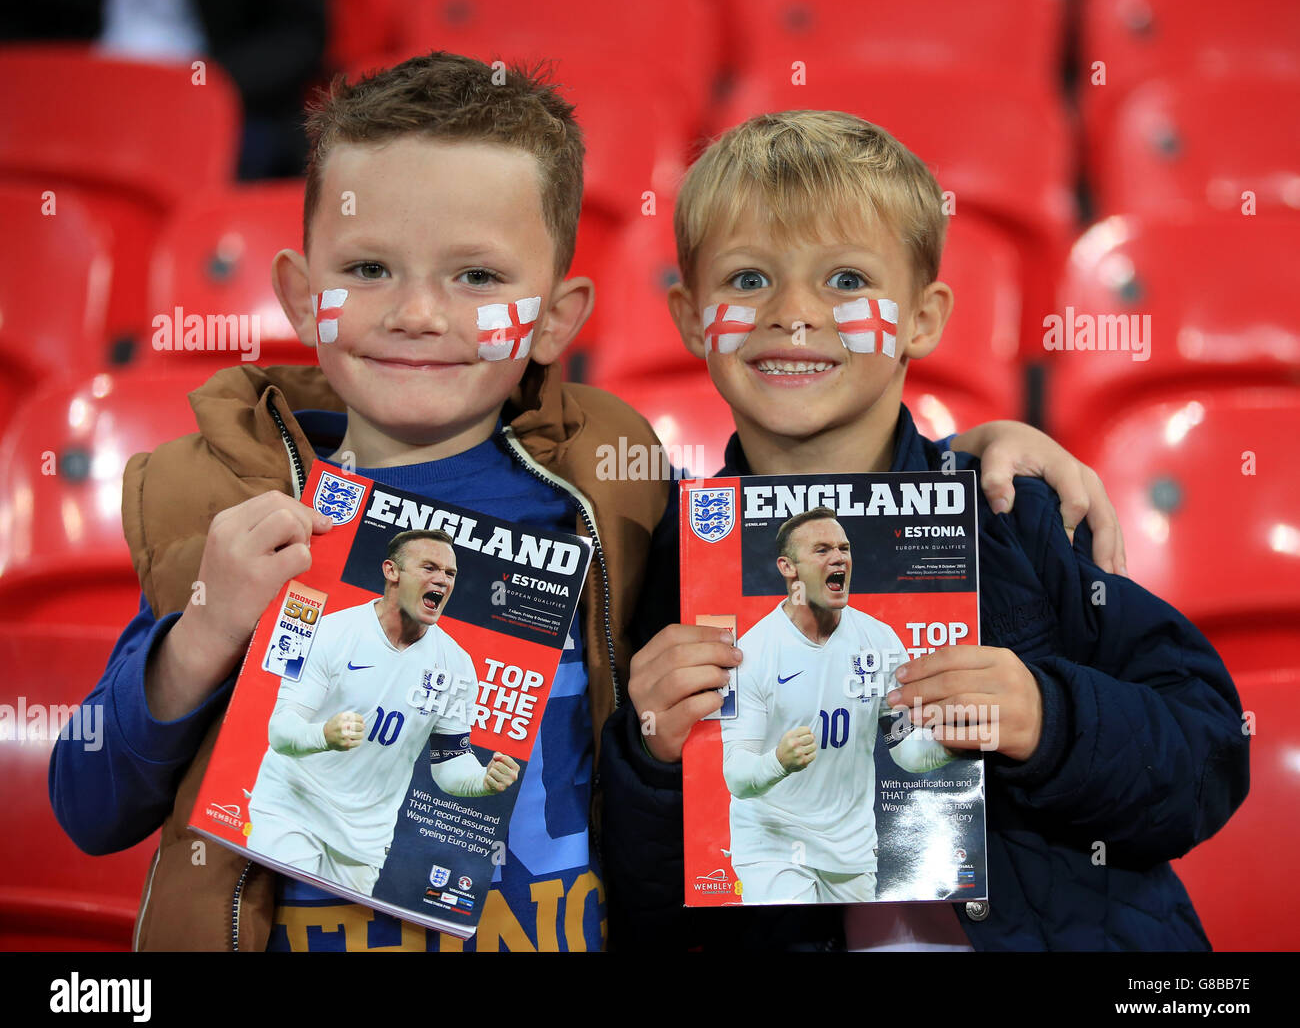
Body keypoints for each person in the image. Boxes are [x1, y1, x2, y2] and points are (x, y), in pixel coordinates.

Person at [48, 52, 1134, 952]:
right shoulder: (251, 511)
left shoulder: (617, 501)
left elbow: (803, 506)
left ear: (561, 313)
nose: (419, 313)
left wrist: (975, 448)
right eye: (368, 266)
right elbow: (88, 804)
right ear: (298, 294)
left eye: (477, 277)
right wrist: (201, 635)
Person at [600, 110, 1249, 952]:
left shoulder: (1017, 510)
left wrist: (1049, 720)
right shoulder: (674, 565)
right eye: (749, 279)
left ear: (924, 318)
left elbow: (1207, 754)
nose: (795, 314)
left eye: (844, 280)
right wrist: (650, 764)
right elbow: (644, 913)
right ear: (691, 318)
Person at [246, 529, 519, 898]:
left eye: (450, 573)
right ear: (392, 572)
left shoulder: (457, 665)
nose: (441, 579)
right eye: (429, 567)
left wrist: (482, 780)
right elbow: (280, 731)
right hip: (292, 806)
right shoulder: (330, 633)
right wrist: (323, 735)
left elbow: (449, 764)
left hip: (365, 839)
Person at [722, 507, 954, 905]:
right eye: (822, 549)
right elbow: (737, 778)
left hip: (851, 848)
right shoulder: (751, 655)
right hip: (772, 840)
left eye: (844, 548)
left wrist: (954, 743)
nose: (839, 558)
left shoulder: (879, 642)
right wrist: (778, 760)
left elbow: (906, 751)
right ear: (787, 568)